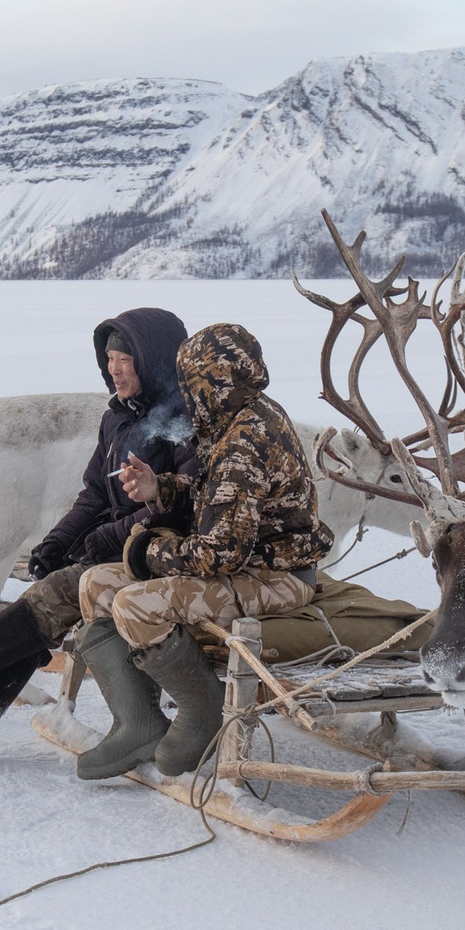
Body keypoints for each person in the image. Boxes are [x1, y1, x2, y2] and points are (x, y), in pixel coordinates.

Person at [0, 307, 189, 760]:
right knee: (54, 592)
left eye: (126, 360)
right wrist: (59, 540)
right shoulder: (120, 417)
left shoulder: (183, 425)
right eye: (109, 359)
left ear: (154, 359)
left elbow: (181, 505)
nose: (115, 370)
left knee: (60, 595)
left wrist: (109, 537)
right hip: (126, 543)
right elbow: (94, 492)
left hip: (160, 550)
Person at [70, 322, 333, 780]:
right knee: (95, 585)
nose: (185, 395)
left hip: (277, 576)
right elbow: (216, 496)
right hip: (243, 565)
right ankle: (137, 723)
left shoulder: (246, 440)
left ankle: (202, 712)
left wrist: (150, 553)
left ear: (213, 383)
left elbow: (219, 554)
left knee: (136, 603)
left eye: (190, 383)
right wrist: (160, 487)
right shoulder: (234, 417)